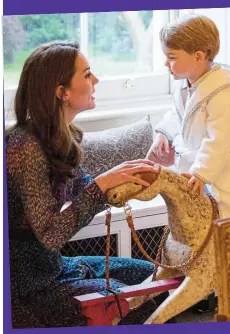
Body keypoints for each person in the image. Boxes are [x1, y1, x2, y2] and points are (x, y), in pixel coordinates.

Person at [6, 41, 167, 328]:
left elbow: (86, 188)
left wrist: (124, 179)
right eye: (87, 74)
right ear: (62, 92)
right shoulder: (24, 147)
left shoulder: (61, 136)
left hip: (55, 269)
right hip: (25, 288)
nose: (96, 81)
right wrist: (102, 186)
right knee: (133, 304)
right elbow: (51, 235)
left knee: (154, 279)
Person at [147, 14, 230, 218]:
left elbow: (218, 141)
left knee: (225, 215)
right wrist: (163, 134)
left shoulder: (223, 95)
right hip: (194, 168)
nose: (166, 63)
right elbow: (179, 116)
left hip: (223, 172)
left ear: (198, 56)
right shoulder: (185, 86)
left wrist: (201, 173)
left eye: (172, 57)